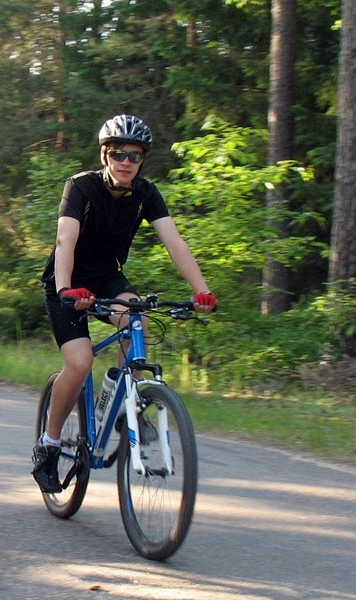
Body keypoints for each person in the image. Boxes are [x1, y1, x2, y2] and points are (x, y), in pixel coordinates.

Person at [32, 114, 217, 493]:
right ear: (105, 156)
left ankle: (123, 403)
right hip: (66, 281)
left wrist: (202, 290)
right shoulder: (81, 186)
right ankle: (49, 444)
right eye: (118, 154)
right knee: (80, 362)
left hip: (107, 277)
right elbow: (65, 240)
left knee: (137, 323)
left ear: (142, 160)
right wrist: (67, 290)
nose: (126, 162)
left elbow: (174, 242)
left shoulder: (145, 193)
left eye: (134, 156)